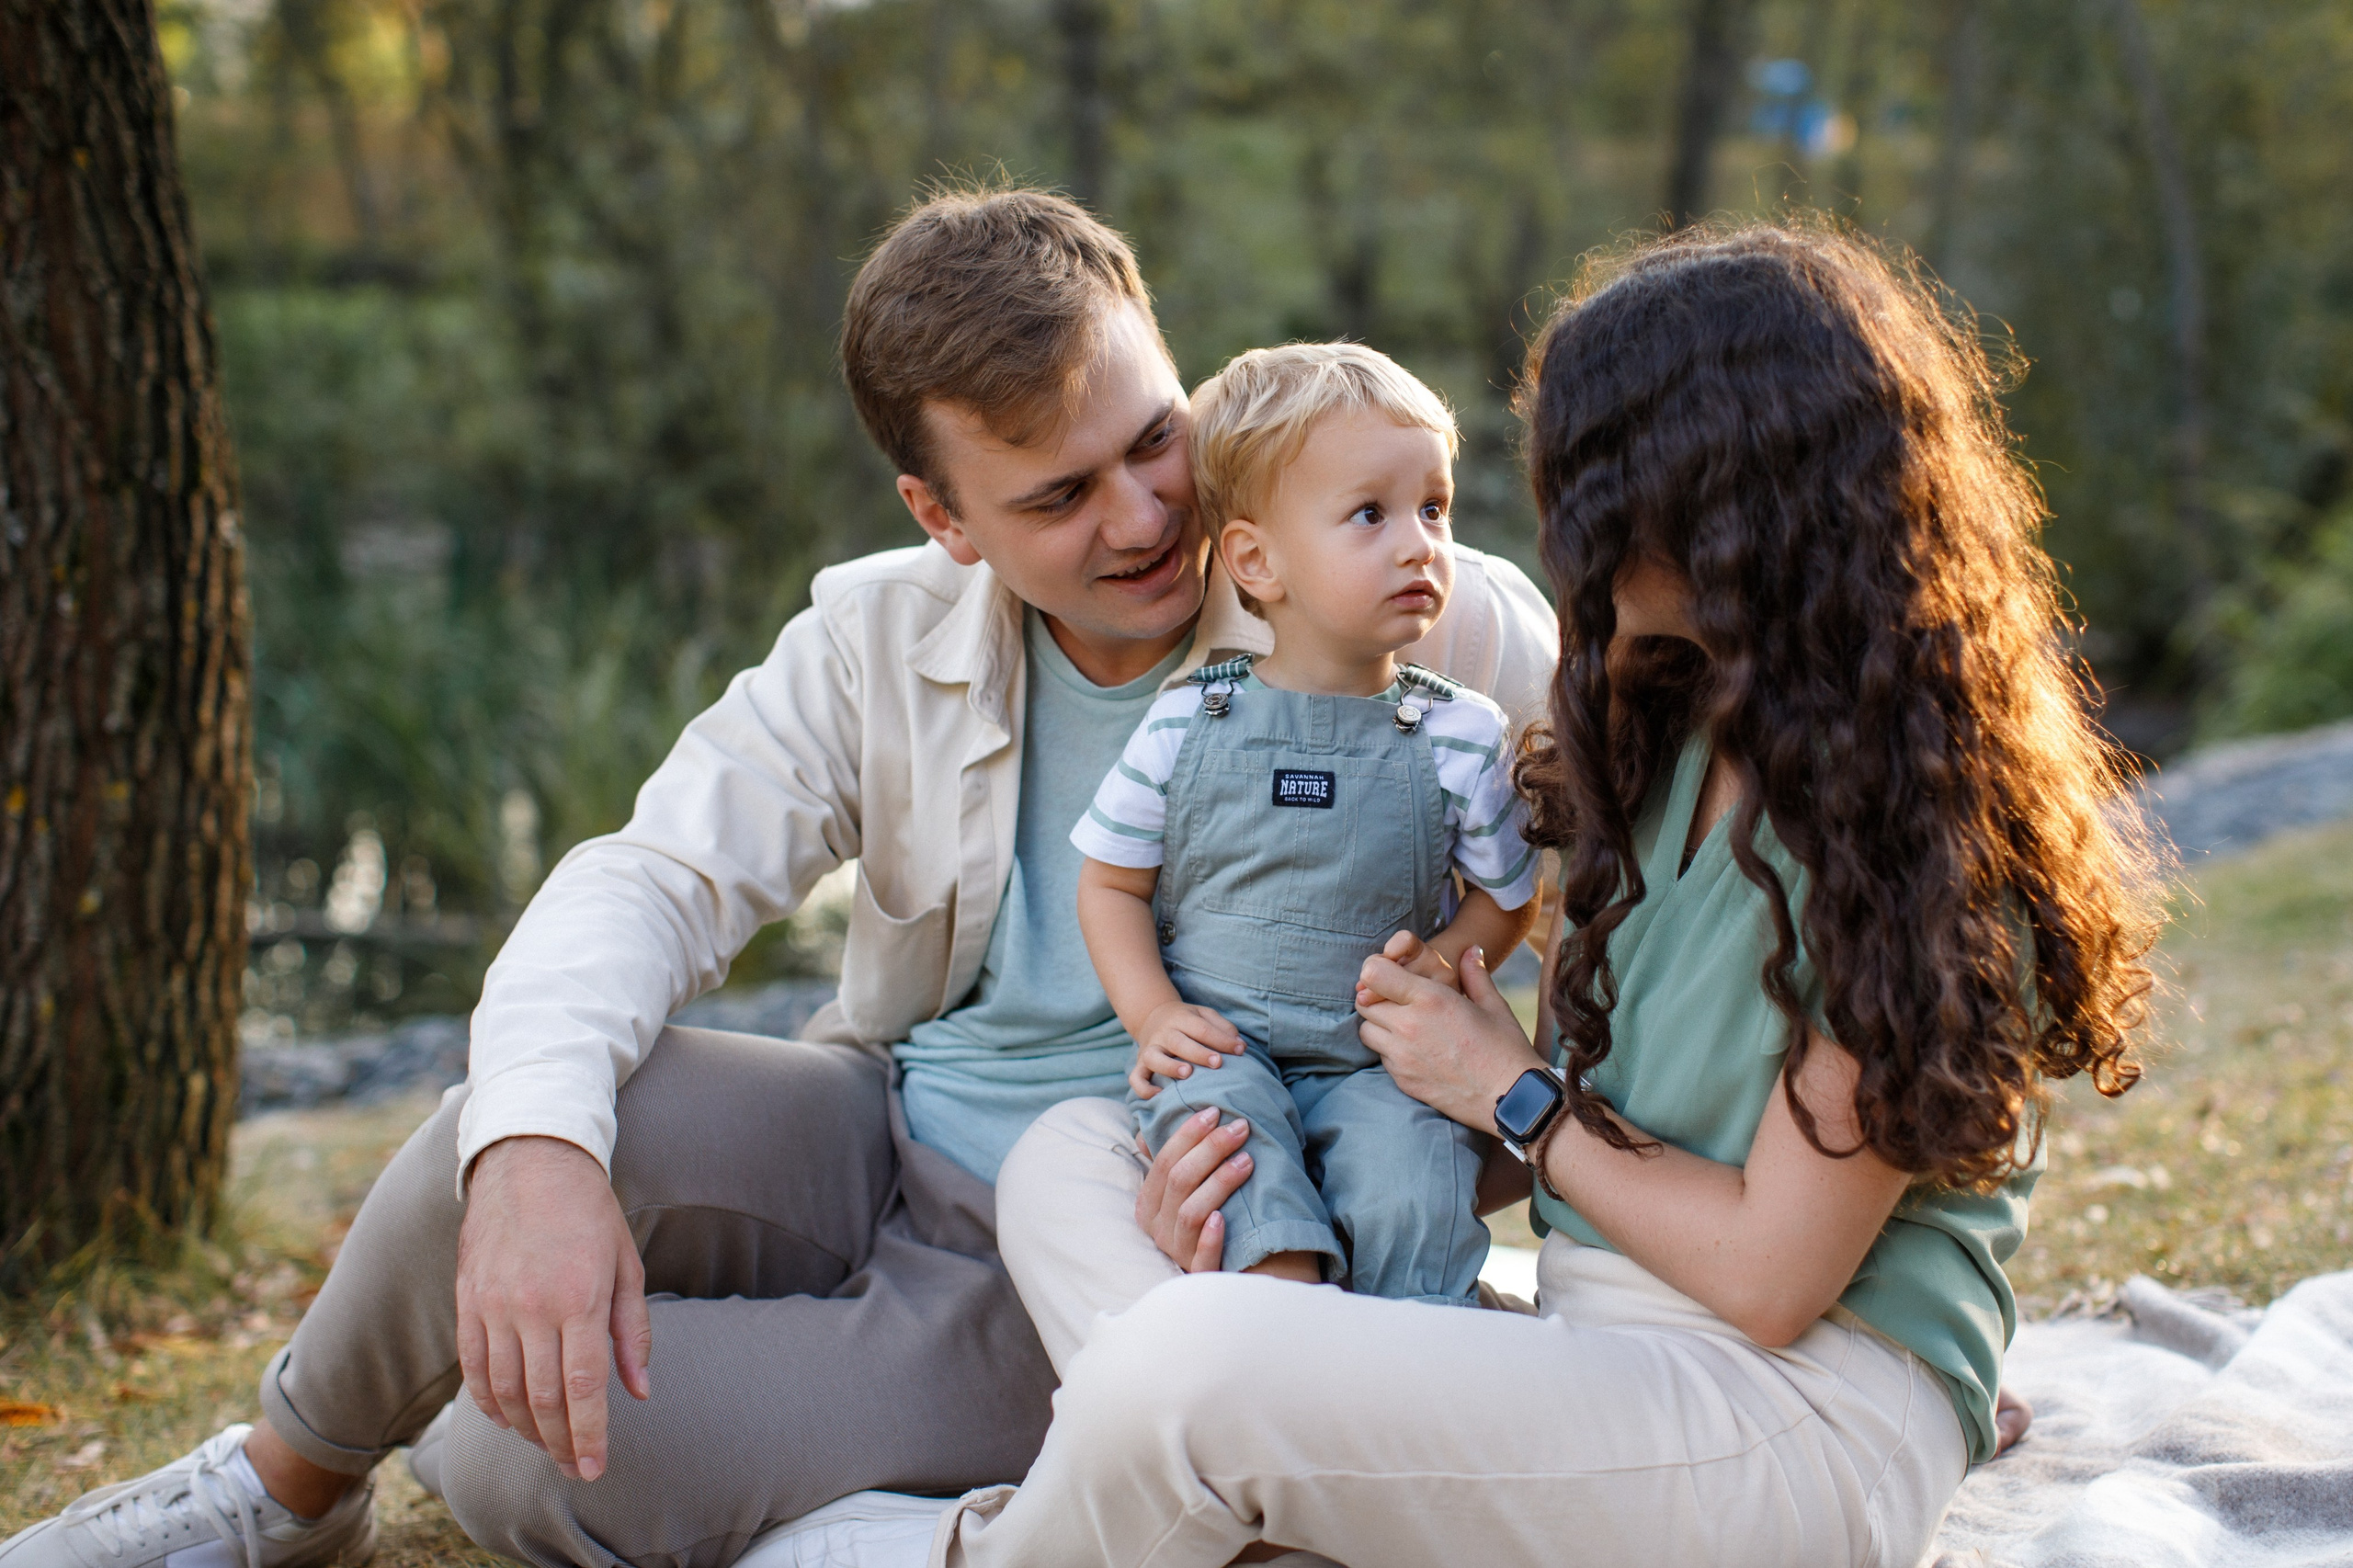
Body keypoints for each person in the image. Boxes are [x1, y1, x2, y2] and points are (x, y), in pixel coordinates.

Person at [0, 188, 1558, 1568]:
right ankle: (283, 1487)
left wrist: (1479, 1139)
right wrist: (542, 1161)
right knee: (504, 1128)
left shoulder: (1418, 618)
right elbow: (652, 875)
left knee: (512, 1449)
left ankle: (975, 1533)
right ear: (942, 519)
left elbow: (1612, 883)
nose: (1149, 515)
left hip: (1109, 1237)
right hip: (878, 1129)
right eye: (1058, 495)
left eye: (1154, 439)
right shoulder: (877, 639)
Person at [948, 220, 2161, 1568]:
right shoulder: (1664, 727)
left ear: (1711, 500)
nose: (1554, 526)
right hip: (1602, 1354)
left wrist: (1509, 1086)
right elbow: (1565, 1151)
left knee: (1183, 1372)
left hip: (1789, 1418)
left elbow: (1769, 1279)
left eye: (1585, 482)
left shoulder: (1917, 825)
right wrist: (1246, 1170)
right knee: (1075, 1156)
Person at [1074, 343, 1540, 1303]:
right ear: (1255, 559)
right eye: (1370, 514)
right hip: (1223, 1046)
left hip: (1379, 1061)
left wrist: (1445, 955)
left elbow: (1507, 898)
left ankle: (1421, 1369)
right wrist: (1155, 1014)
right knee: (1234, 1177)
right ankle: (1286, 1340)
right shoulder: (1187, 717)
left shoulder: (1458, 733)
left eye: (1433, 507)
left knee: (1413, 1181)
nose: (1419, 543)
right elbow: (1108, 880)